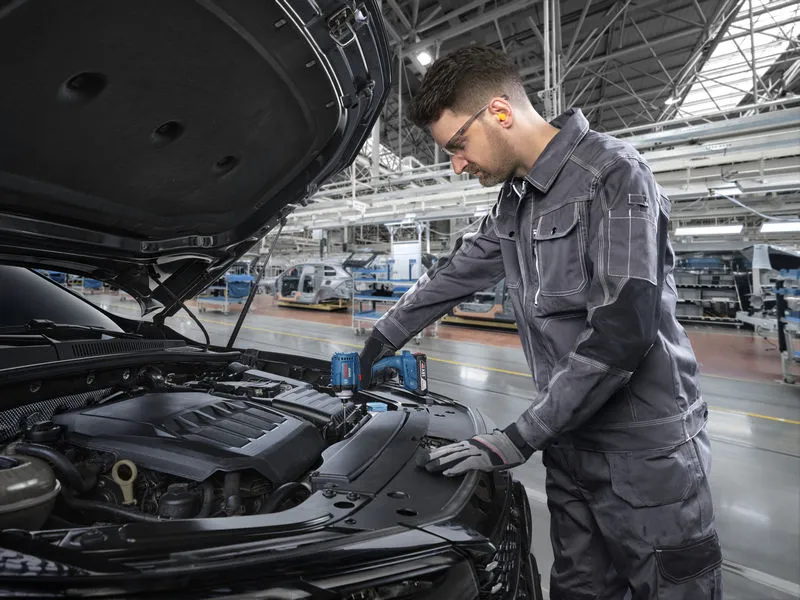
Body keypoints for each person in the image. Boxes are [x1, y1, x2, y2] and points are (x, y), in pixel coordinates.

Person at [359, 46, 722, 599]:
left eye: (458, 145)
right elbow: (456, 272)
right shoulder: (514, 203)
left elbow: (622, 333)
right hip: (569, 442)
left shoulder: (613, 174)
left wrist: (516, 438)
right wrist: (382, 337)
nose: (457, 165)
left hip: (645, 456)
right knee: (578, 589)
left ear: (500, 113)